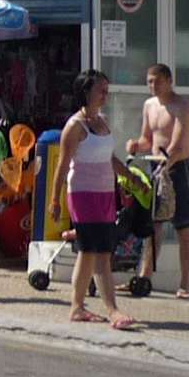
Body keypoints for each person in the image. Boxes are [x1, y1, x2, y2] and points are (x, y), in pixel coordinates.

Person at [61, 69, 136, 330]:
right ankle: (112, 310)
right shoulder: (74, 126)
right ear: (86, 92)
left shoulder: (102, 121)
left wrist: (131, 178)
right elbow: (62, 166)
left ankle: (77, 306)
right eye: (100, 90)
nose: (105, 95)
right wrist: (54, 201)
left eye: (107, 90)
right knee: (99, 252)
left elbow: (109, 158)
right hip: (82, 194)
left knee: (89, 252)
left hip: (105, 193)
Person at [128, 62, 189, 300]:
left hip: (179, 168)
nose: (153, 86)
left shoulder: (183, 107)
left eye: (157, 81)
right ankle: (144, 277)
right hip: (155, 167)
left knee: (183, 226)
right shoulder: (149, 105)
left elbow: (178, 145)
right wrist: (135, 146)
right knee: (154, 224)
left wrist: (166, 164)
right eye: (149, 82)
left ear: (169, 81)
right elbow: (147, 140)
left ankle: (185, 284)